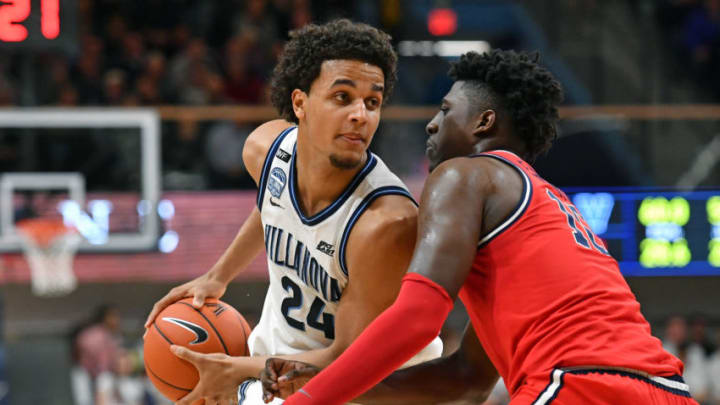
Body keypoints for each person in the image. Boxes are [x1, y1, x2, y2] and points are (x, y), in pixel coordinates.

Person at [270, 49, 699, 405]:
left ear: (484, 122)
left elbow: (418, 317)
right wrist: (329, 386)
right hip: (666, 390)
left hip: (579, 383)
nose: (432, 123)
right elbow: (467, 378)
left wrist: (306, 402)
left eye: (445, 109)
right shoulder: (542, 201)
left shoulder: (466, 174)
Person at [143, 19, 442, 405]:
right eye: (342, 97)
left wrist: (238, 370)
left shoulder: (384, 224)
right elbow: (273, 205)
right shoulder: (264, 151)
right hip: (282, 369)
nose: (360, 115)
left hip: (367, 389)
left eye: (373, 102)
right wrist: (217, 277)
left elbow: (346, 359)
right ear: (300, 103)